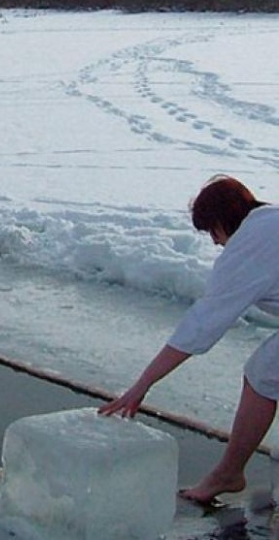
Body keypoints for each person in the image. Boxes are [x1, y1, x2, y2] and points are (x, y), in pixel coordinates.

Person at [99, 175, 278, 504]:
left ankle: (228, 474)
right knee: (265, 371)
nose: (214, 242)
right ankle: (229, 473)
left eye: (212, 231)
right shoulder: (271, 222)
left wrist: (142, 385)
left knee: (263, 374)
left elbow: (200, 326)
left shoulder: (248, 246)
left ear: (222, 221)